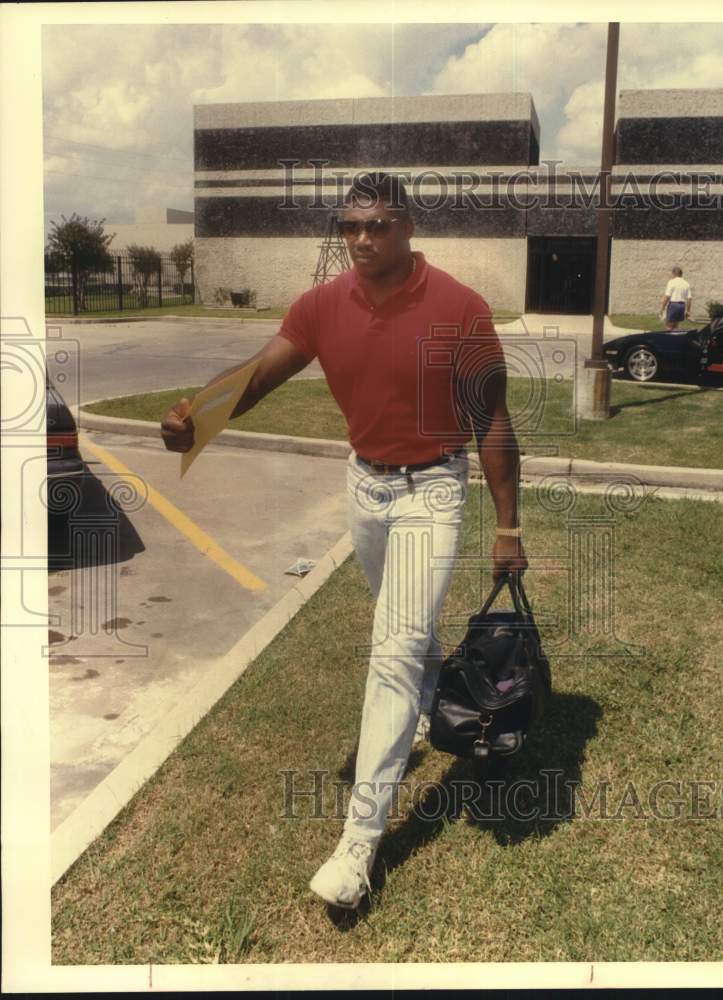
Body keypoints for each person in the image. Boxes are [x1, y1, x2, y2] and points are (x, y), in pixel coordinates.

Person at [160, 172, 527, 911]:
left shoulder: (461, 308)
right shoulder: (322, 304)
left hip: (433, 488)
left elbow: (491, 418)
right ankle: (426, 700)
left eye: (379, 224)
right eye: (352, 225)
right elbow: (264, 373)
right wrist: (198, 418)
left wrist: (508, 524)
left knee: (391, 650)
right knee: (404, 627)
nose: (363, 238)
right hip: (364, 485)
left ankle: (357, 847)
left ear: (408, 226)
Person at [660, 266, 692, 331]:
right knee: (676, 327)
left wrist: (662, 308)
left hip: (673, 305)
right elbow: (689, 299)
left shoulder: (671, 282)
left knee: (668, 327)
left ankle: (669, 340)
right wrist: (688, 311)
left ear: (674, 273)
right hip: (682, 306)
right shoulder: (686, 283)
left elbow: (667, 297)